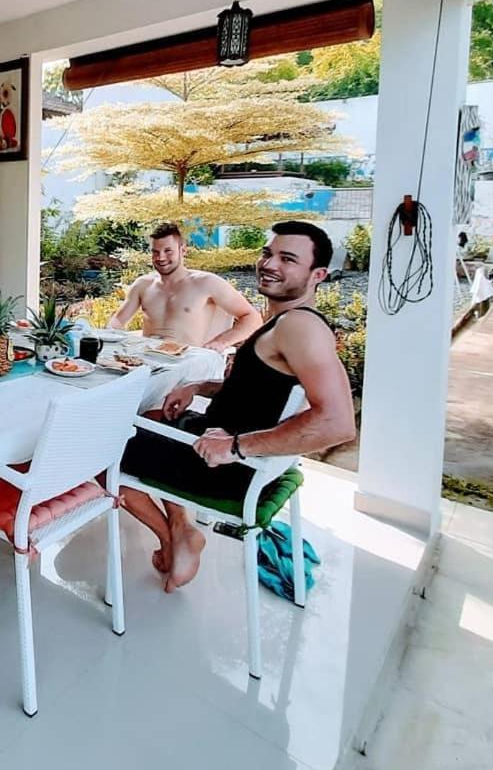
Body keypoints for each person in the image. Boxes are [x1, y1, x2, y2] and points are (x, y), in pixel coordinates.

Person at [120, 220, 356, 593]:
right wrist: (198, 386)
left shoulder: (299, 328)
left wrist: (236, 446)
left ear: (318, 275)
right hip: (216, 440)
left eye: (288, 259)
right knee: (152, 416)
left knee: (102, 448)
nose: (269, 264)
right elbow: (258, 390)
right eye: (268, 253)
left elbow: (337, 423)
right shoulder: (286, 322)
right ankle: (181, 529)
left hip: (224, 467)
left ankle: (174, 539)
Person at [108, 222, 262, 352]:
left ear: (183, 250)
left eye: (168, 251)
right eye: (155, 252)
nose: (161, 258)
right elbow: (118, 321)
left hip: (188, 360)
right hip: (148, 359)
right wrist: (111, 335)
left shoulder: (206, 283)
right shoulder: (143, 284)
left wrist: (220, 343)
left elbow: (252, 318)